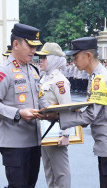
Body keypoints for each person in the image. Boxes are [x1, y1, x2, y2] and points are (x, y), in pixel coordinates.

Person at [39, 37, 107, 188]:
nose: (73, 60)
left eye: (76, 56)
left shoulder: (101, 79)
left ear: (88, 56)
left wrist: (59, 117)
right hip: (106, 146)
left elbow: (90, 116)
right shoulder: (94, 77)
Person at [0, 23, 46, 188]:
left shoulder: (33, 70)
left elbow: (40, 99)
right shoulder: (3, 71)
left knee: (30, 185)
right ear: (16, 44)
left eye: (35, 47)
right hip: (14, 144)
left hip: (34, 141)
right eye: (30, 46)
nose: (33, 51)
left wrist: (53, 111)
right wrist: (18, 113)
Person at [36, 42, 72, 188]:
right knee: (49, 170)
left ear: (54, 59)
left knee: (61, 172)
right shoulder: (44, 78)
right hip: (44, 131)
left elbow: (66, 109)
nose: (41, 61)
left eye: (44, 58)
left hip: (57, 132)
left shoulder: (60, 81)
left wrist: (66, 134)